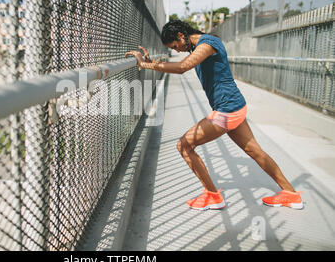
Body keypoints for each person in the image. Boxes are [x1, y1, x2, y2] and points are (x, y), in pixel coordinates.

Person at [125, 20, 304, 211]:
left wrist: (145, 65)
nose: (177, 51)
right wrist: (152, 62)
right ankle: (291, 194)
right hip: (233, 107)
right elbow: (180, 63)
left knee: (184, 146)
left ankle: (213, 196)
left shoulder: (208, 43)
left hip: (228, 110)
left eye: (176, 46)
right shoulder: (196, 48)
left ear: (180, 35)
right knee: (255, 152)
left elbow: (182, 67)